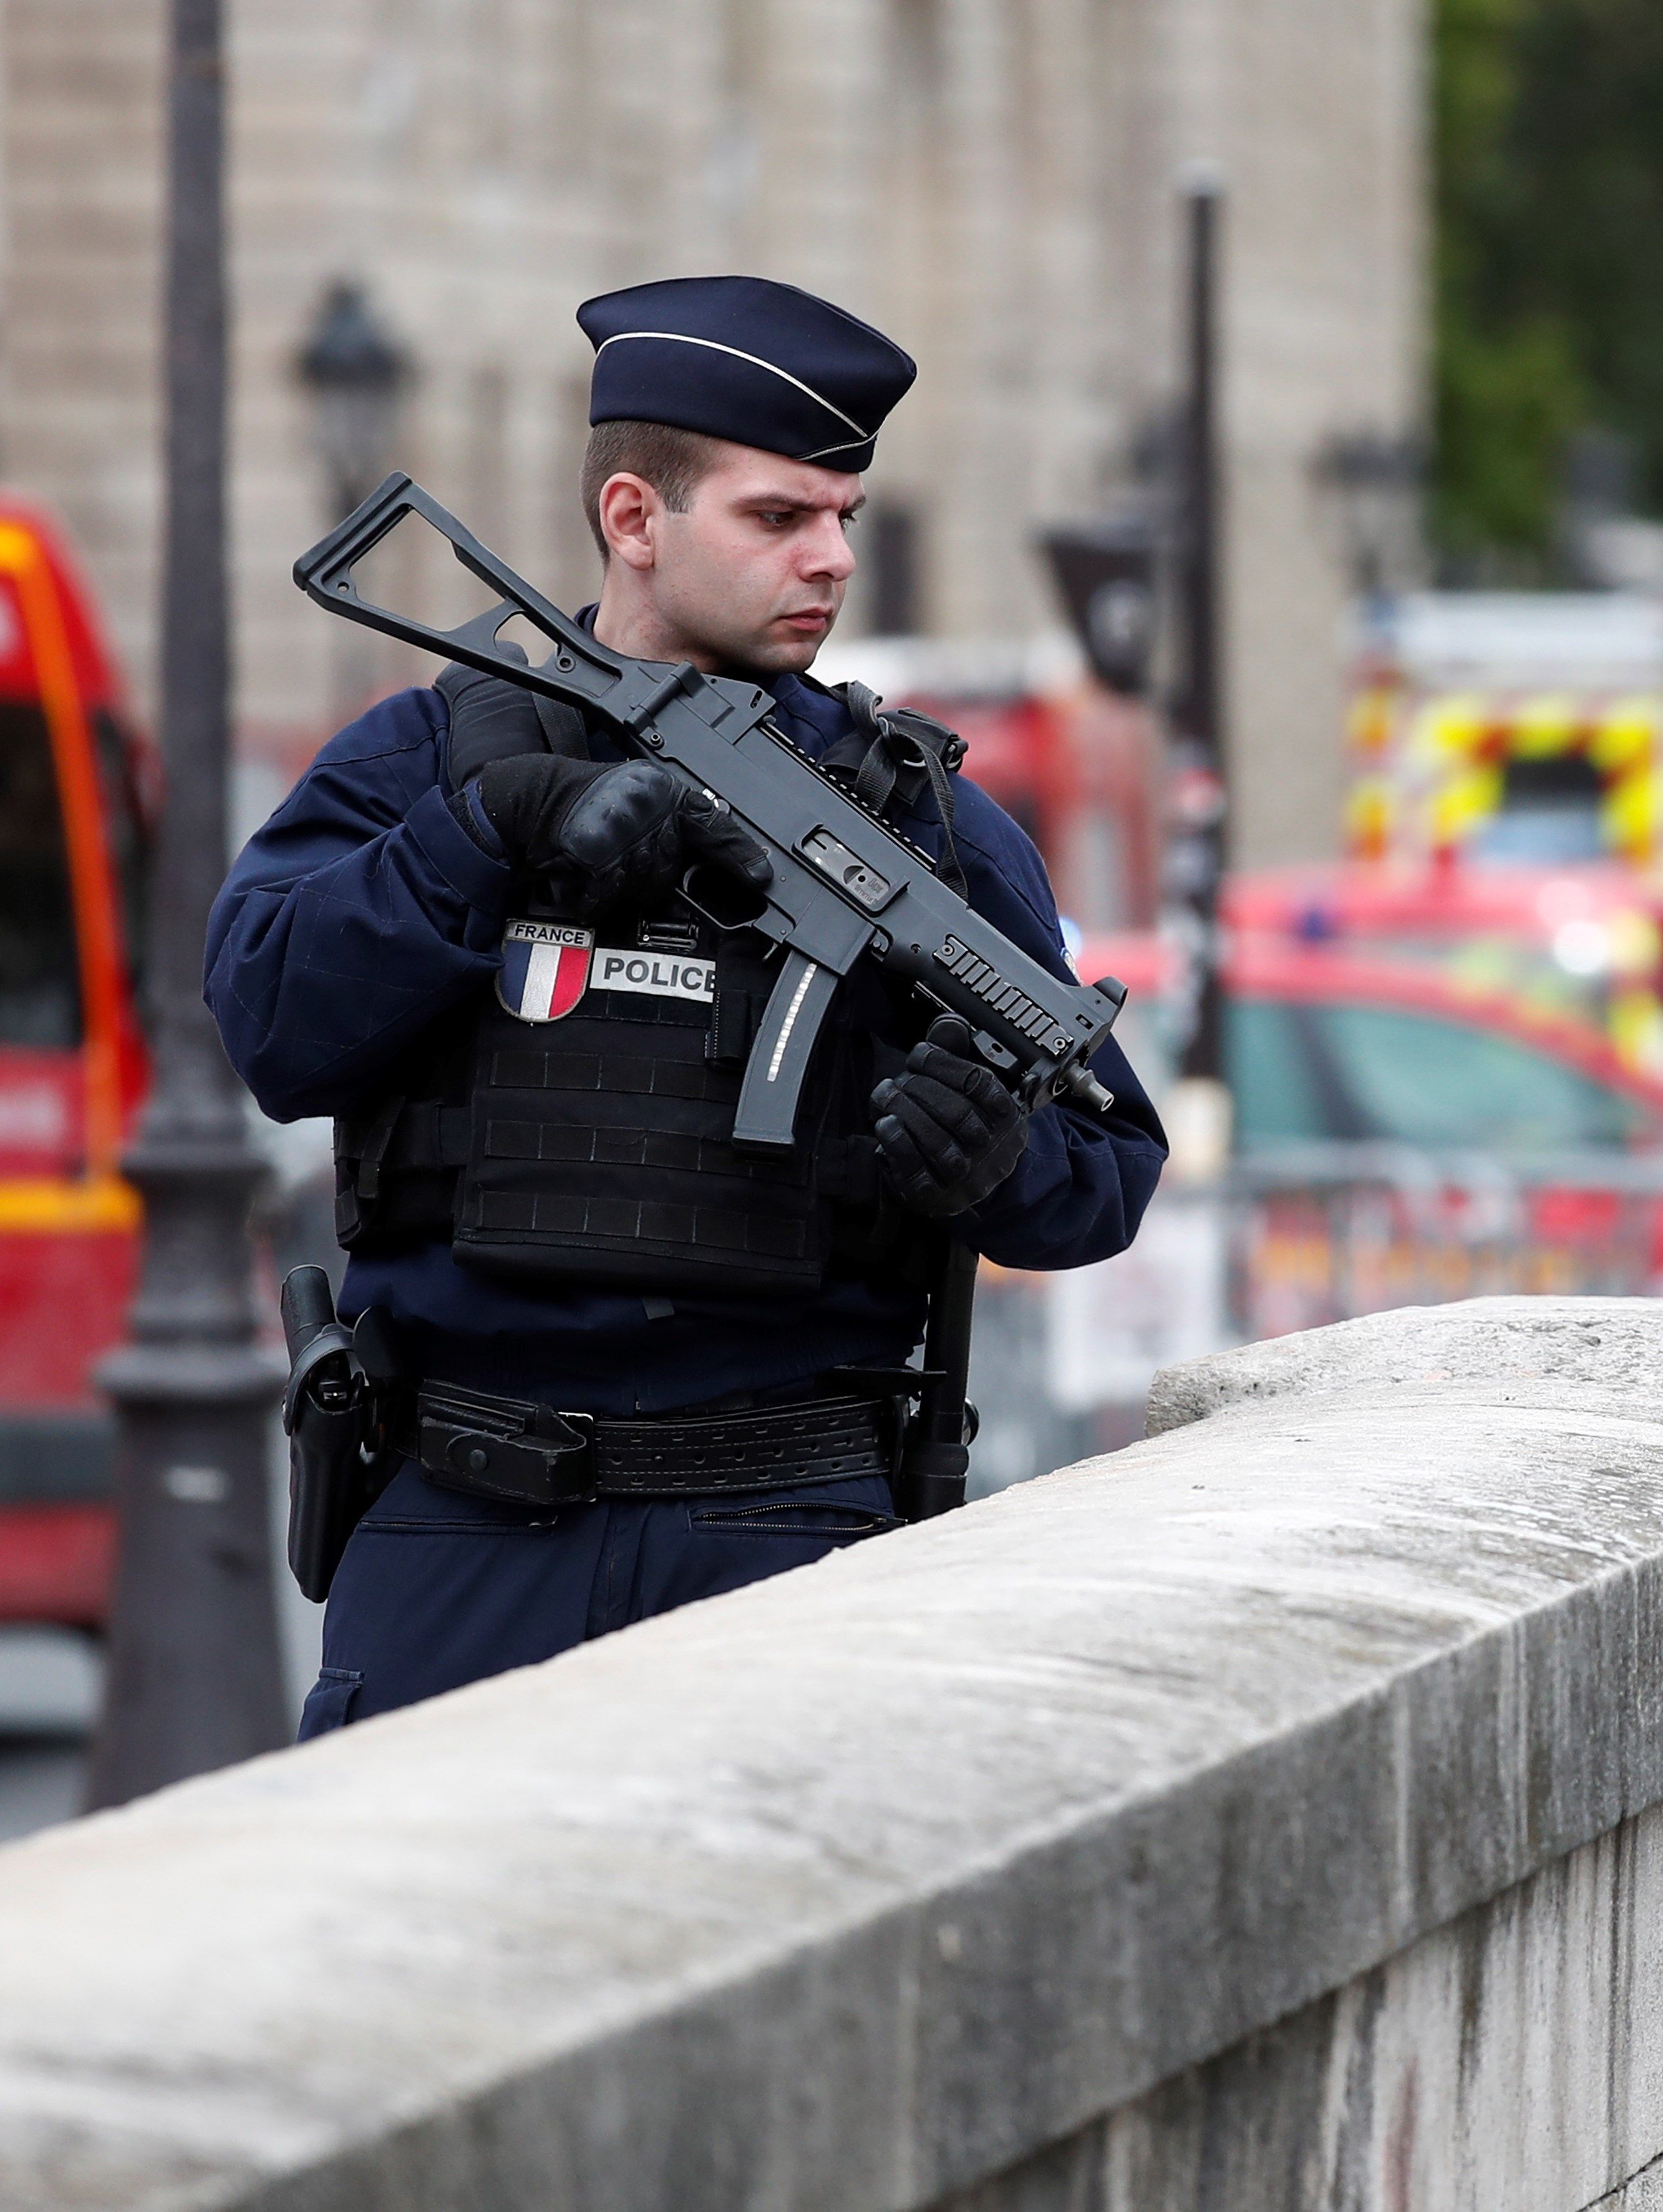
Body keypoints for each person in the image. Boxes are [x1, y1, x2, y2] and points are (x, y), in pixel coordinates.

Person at [207, 275, 1164, 1736]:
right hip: (468, 1513)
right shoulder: (429, 757)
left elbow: (1106, 1171)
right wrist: (485, 838)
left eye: (845, 515)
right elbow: (271, 1026)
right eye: (778, 518)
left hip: (785, 1529)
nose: (831, 557)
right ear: (632, 519)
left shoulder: (925, 828)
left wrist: (992, 1162)